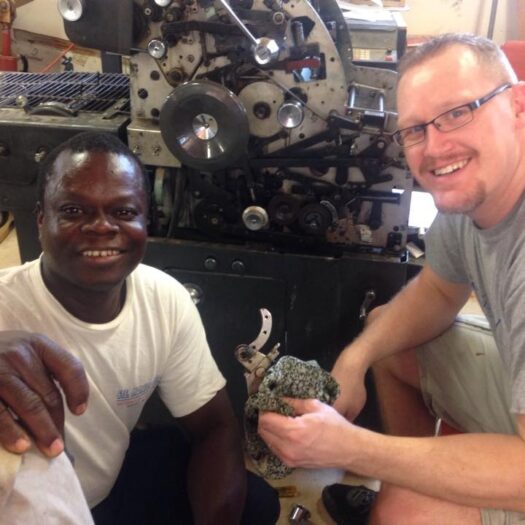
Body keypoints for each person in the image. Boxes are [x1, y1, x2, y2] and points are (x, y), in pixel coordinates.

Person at [258, 32, 525, 525]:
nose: (436, 147)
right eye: (416, 129)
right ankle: (410, 483)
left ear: (518, 106)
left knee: (406, 514)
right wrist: (355, 359)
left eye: (457, 113)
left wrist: (353, 448)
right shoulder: (472, 197)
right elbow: (438, 290)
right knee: (389, 336)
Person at [0, 132, 279, 524]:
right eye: (74, 210)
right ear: (42, 220)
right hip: (28, 509)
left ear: (146, 221)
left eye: (124, 212)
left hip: (110, 488)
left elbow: (214, 427)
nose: (101, 226)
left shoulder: (163, 298)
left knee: (253, 503)